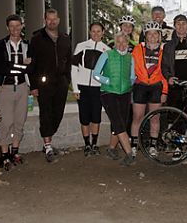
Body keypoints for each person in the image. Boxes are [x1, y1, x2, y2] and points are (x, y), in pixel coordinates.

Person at [27, 9, 72, 162]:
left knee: (57, 113)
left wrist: (67, 79)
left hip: (61, 83)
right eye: (49, 19)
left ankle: (48, 141)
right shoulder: (37, 38)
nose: (52, 22)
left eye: (54, 19)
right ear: (45, 20)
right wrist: (33, 85)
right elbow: (31, 65)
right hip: (43, 83)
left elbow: (68, 60)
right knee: (45, 113)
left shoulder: (65, 38)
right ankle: (48, 146)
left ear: (58, 20)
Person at [0, 14, 32, 171]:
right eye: (12, 26)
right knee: (6, 123)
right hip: (5, 89)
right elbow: (3, 68)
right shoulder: (0, 46)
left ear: (22, 26)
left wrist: (15, 67)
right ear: (7, 27)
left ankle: (15, 152)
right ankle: (4, 155)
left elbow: (32, 68)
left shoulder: (27, 45)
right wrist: (22, 64)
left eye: (18, 25)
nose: (15, 29)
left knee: (19, 122)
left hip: (22, 87)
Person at [93, 32, 138, 166]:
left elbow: (132, 75)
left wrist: (130, 83)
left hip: (124, 93)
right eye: (118, 42)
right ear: (114, 43)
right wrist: (108, 80)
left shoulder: (130, 57)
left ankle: (111, 149)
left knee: (121, 123)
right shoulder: (106, 54)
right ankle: (130, 154)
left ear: (128, 43)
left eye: (124, 42)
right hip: (108, 92)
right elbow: (96, 74)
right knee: (118, 122)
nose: (121, 45)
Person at [161, 14, 187, 158]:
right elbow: (164, 66)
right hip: (176, 87)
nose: (181, 26)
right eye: (178, 24)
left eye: (184, 24)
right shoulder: (168, 46)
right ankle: (177, 146)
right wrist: (169, 77)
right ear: (174, 26)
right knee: (177, 117)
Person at [130, 21, 169, 157]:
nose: (152, 36)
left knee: (155, 118)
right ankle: (133, 145)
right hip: (140, 85)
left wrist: (164, 91)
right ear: (145, 36)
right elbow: (131, 68)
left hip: (156, 86)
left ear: (159, 36)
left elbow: (165, 73)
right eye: (149, 34)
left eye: (155, 33)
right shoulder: (137, 49)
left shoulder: (164, 51)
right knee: (137, 117)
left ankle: (153, 145)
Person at [71, 22, 110, 157]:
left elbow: (107, 71)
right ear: (89, 32)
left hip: (98, 88)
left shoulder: (107, 49)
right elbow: (74, 68)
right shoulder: (81, 46)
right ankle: (87, 145)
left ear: (103, 33)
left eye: (99, 31)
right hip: (82, 87)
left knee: (96, 117)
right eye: (93, 31)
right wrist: (75, 88)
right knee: (84, 117)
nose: (96, 34)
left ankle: (94, 144)